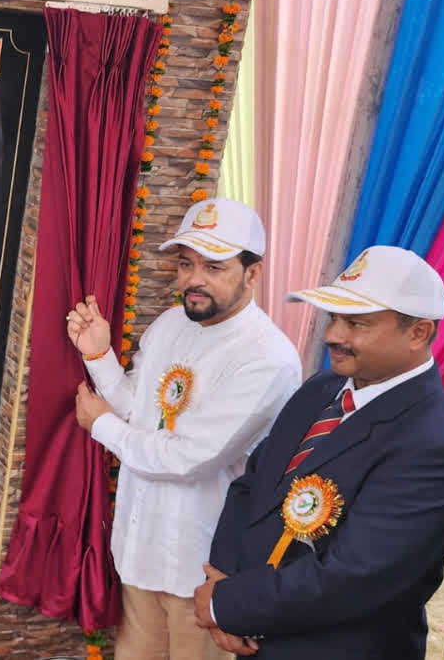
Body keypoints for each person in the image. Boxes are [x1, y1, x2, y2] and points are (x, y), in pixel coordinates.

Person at [194, 245, 444, 658]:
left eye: (356, 323)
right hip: (255, 631)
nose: (333, 335)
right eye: (333, 318)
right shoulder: (322, 389)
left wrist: (229, 605)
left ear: (418, 332)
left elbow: (355, 577)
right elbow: (253, 485)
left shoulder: (437, 445)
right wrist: (223, 585)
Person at [67, 198, 302, 660]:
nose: (194, 279)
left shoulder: (265, 358)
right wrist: (99, 357)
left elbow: (189, 457)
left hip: (203, 571)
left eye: (214, 266)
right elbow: (144, 410)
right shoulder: (173, 323)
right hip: (142, 553)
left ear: (252, 274)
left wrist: (102, 427)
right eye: (185, 263)